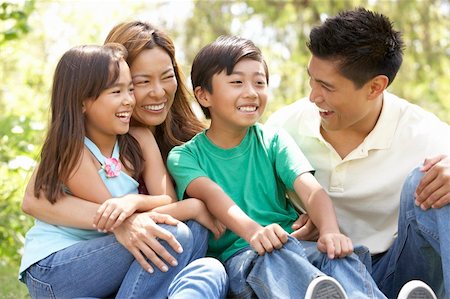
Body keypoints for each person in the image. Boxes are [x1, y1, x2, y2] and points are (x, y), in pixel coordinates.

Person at [167, 35, 388, 299]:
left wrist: (330, 231)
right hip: (243, 260)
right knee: (273, 257)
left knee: (338, 255)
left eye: (259, 82)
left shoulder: (274, 140)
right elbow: (215, 198)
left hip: (292, 245)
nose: (251, 92)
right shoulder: (185, 157)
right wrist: (255, 233)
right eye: (237, 82)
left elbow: (311, 191)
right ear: (204, 95)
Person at [20, 22, 228, 298]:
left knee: (196, 237)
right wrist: (191, 206)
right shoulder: (75, 151)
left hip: (107, 256)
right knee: (175, 232)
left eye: (130, 89)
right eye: (120, 90)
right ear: (83, 101)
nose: (130, 100)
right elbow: (117, 220)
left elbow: (162, 204)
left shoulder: (141, 138)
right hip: (58, 268)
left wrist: (135, 200)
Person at [266, 8, 449, 299]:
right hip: (326, 276)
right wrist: (290, 220)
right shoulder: (282, 128)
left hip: (401, 271)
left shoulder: (421, 132)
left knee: (436, 179)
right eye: (312, 79)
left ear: (375, 87)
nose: (313, 96)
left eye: (326, 87)